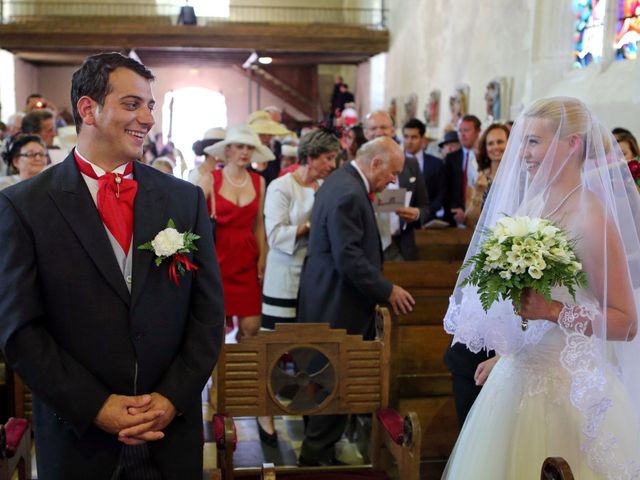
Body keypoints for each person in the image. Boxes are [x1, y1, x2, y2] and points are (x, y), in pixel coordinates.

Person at [0, 52, 225, 479]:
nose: (147, 118)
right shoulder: (24, 206)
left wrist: (172, 398)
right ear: (89, 109)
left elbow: (208, 312)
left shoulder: (183, 199)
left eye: (150, 105)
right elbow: (20, 330)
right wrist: (96, 407)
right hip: (79, 438)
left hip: (169, 435)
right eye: (131, 104)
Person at [443, 97, 640, 478]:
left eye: (533, 142)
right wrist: (506, 354)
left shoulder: (591, 216)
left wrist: (554, 311)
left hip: (569, 389)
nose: (523, 153)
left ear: (572, 144)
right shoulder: (534, 203)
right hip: (516, 375)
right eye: (523, 141)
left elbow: (626, 322)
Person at [296, 137, 415, 466]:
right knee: (334, 387)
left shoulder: (339, 180)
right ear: (375, 163)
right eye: (393, 172)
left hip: (324, 298)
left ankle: (319, 453)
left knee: (324, 384)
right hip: (338, 305)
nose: (394, 180)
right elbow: (348, 257)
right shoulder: (348, 191)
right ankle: (313, 462)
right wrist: (388, 289)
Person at [258, 129, 339, 446]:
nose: (332, 164)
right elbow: (275, 235)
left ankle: (305, 409)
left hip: (312, 276)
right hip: (283, 274)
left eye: (334, 158)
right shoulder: (282, 186)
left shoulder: (322, 187)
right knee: (275, 349)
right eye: (327, 158)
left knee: (307, 347)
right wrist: (313, 225)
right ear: (309, 157)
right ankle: (265, 411)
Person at [199, 125, 271, 341]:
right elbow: (193, 219)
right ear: (227, 150)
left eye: (249, 148)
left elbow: (259, 223)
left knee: (252, 325)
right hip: (217, 259)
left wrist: (263, 256)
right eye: (240, 147)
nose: (245, 152)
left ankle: (245, 373)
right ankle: (221, 374)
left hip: (247, 259)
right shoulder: (210, 179)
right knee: (215, 329)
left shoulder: (259, 181)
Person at [364, 110, 429, 261]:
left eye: (384, 127)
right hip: (367, 247)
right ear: (366, 133)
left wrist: (416, 214)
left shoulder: (410, 164)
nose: (379, 132)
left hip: (401, 246)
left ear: (393, 131)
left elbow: (425, 207)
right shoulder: (357, 165)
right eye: (373, 128)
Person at [462, 123, 510, 228]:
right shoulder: (479, 177)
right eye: (490, 143)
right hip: (485, 239)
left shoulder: (522, 178)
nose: (495, 147)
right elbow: (469, 220)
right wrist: (479, 192)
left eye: (500, 142)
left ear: (510, 144)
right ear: (485, 147)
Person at [443, 114, 482, 227]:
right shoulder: (451, 158)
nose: (462, 135)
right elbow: (446, 190)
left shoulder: (485, 158)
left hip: (480, 217)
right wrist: (455, 211)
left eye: (466, 130)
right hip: (456, 220)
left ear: (477, 131)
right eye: (459, 131)